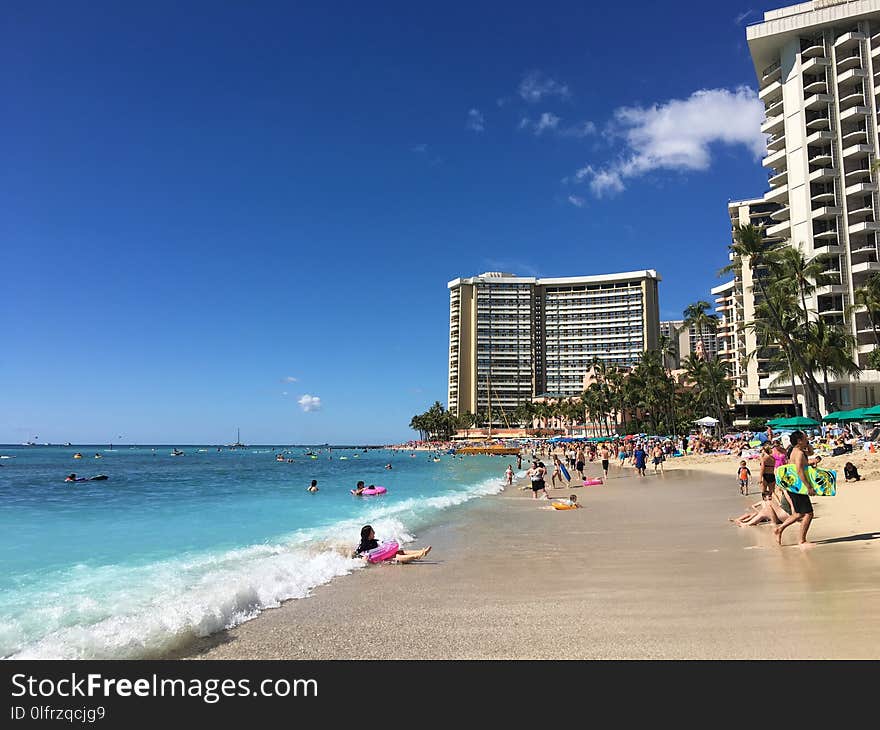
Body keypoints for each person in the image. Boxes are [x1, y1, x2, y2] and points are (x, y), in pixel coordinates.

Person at [773, 431, 814, 548]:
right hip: (798, 486)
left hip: (794, 486)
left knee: (798, 514)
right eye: (805, 437)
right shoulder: (799, 453)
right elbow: (799, 471)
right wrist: (809, 487)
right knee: (808, 513)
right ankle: (801, 540)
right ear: (799, 440)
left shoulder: (798, 450)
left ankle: (779, 529)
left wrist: (808, 444)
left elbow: (811, 452)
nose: (807, 438)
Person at [353, 525, 431, 563]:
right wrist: (363, 559)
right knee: (395, 556)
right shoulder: (362, 545)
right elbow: (357, 554)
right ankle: (418, 555)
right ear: (368, 535)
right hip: (377, 559)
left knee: (400, 551)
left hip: (381, 555)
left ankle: (421, 552)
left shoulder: (373, 541)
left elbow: (381, 547)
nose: (374, 533)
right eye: (372, 532)